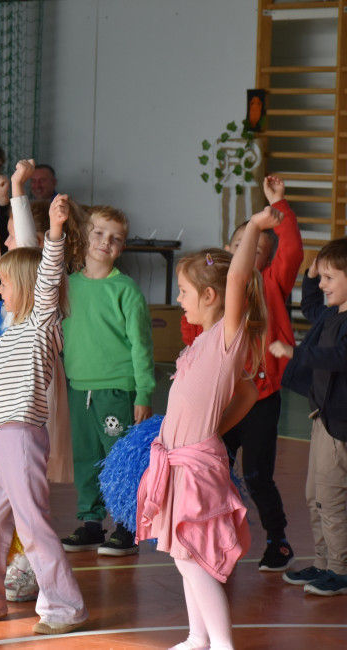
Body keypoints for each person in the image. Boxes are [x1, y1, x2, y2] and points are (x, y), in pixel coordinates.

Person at [137, 210, 281, 650]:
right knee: (184, 558)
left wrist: (255, 227)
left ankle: (221, 643)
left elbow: (237, 279)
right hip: (185, 461)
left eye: (183, 292)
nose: (178, 299)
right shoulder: (202, 341)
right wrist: (213, 428)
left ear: (211, 295)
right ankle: (197, 636)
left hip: (195, 470)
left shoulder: (225, 336)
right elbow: (247, 395)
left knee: (193, 562)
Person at [0, 195, 88, 636]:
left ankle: (64, 606)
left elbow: (48, 274)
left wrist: (53, 230)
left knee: (31, 523)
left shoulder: (40, 320)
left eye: (7, 283)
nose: (1, 288)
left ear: (29, 289)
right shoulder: (12, 324)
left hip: (22, 437)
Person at [181, 175, 302, 572]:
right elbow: (193, 340)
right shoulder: (208, 306)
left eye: (256, 249)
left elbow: (293, 251)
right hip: (226, 401)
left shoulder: (268, 283)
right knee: (218, 472)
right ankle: (219, 538)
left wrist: (278, 208)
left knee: (256, 475)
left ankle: (277, 539)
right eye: (239, 247)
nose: (246, 254)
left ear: (266, 258)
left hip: (262, 400)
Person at [60, 204, 154, 556]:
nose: (105, 242)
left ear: (122, 247)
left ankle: (126, 526)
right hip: (79, 387)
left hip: (117, 389)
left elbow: (142, 346)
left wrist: (143, 392)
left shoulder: (126, 290)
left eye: (115, 238)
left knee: (120, 459)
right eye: (99, 233)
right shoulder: (67, 286)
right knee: (85, 457)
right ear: (85, 236)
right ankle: (91, 523)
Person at [272, 238, 347, 596]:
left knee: (332, 500)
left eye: (330, 278)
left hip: (339, 425)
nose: (323, 285)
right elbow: (311, 303)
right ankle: (323, 563)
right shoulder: (332, 313)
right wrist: (311, 271)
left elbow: (338, 357)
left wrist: (296, 352)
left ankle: (341, 570)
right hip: (322, 418)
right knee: (315, 495)